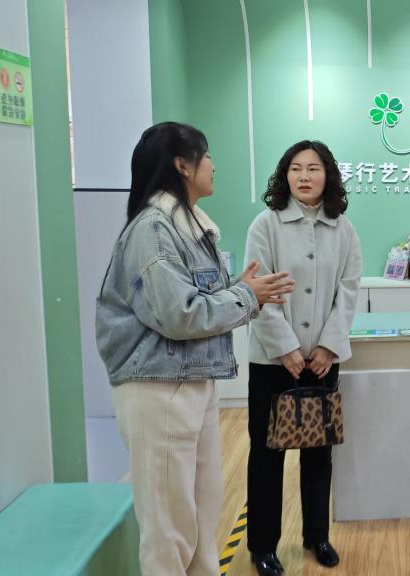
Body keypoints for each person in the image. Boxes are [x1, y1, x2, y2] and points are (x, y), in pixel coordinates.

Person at [96, 121, 295, 575]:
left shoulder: (187, 227)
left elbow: (189, 301)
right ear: (182, 166)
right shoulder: (153, 229)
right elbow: (179, 314)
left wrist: (238, 289)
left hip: (191, 382)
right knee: (170, 529)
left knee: (202, 516)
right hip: (159, 387)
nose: (213, 165)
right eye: (205, 156)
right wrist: (246, 296)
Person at [245, 140, 362, 575]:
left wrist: (329, 345)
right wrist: (287, 348)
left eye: (313, 168)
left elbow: (348, 291)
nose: (304, 176)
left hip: (323, 360)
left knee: (318, 450)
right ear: (285, 175)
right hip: (273, 360)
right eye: (296, 168)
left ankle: (317, 536)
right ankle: (262, 546)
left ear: (328, 176)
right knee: (266, 454)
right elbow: (259, 293)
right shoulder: (266, 224)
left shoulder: (343, 229)